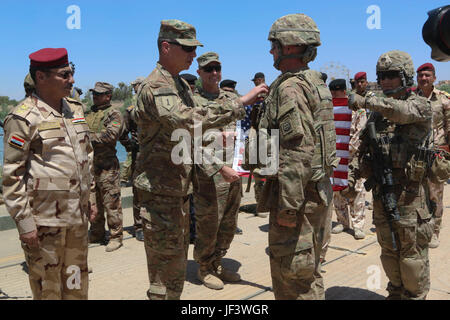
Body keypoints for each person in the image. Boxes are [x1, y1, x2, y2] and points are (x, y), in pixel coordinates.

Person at [134, 19, 268, 300]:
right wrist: (241, 102)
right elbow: (189, 122)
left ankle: (212, 264)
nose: (193, 55)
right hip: (160, 194)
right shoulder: (158, 86)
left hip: (177, 190)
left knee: (174, 270)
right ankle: (203, 268)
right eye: (188, 48)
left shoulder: (178, 84)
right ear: (166, 47)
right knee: (163, 275)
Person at [249, 13, 337, 299]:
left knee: (293, 282)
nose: (270, 50)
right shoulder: (315, 82)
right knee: (310, 274)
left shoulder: (289, 87)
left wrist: (288, 208)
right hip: (315, 194)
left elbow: (296, 152)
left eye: (274, 44)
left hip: (298, 201)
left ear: (288, 46)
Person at [2, 48, 97, 299]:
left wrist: (92, 199)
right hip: (45, 223)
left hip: (77, 218)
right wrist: (25, 224)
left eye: (71, 73)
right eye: (64, 75)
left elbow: (86, 157)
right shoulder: (22, 118)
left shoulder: (75, 110)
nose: (72, 80)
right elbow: (12, 177)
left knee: (77, 283)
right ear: (41, 77)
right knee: (49, 289)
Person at [349, 50, 434, 300]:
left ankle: (415, 296)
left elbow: (400, 111)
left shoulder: (419, 105)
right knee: (388, 251)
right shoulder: (377, 115)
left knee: (411, 257)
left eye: (391, 75)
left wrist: (366, 101)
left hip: (411, 198)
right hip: (382, 194)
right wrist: (352, 175)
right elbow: (362, 147)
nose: (385, 81)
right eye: (382, 76)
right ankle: (395, 292)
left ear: (406, 77)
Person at [192, 52, 243, 290]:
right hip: (209, 176)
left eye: (217, 69)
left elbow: (243, 129)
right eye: (209, 69)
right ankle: (204, 268)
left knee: (229, 223)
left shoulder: (230, 98)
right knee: (209, 224)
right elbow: (191, 144)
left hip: (234, 172)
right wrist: (220, 167)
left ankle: (218, 262)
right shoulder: (192, 102)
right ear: (199, 72)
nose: (214, 73)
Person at [86, 82, 124, 252]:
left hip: (107, 166)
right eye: (94, 93)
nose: (95, 97)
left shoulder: (114, 114)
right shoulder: (88, 113)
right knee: (93, 202)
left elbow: (110, 136)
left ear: (108, 96)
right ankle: (96, 233)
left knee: (111, 202)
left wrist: (86, 136)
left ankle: (116, 236)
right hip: (90, 165)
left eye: (99, 94)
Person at [415, 62, 450, 248]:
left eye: (427, 75)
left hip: (437, 154)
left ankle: (435, 232)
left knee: (436, 195)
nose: (423, 78)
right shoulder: (412, 98)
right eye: (420, 75)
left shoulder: (444, 99)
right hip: (416, 155)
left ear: (434, 78)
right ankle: (420, 229)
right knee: (417, 193)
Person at [329, 79, 367, 240]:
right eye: (332, 93)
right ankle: (342, 222)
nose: (334, 96)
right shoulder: (328, 108)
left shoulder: (357, 107)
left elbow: (361, 130)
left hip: (352, 156)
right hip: (335, 156)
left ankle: (358, 225)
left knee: (357, 190)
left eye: (337, 93)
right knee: (337, 190)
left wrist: (350, 150)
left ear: (344, 91)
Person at [119, 77, 145, 241]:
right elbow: (122, 132)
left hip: (155, 156)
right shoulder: (131, 110)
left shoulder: (154, 106)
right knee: (138, 192)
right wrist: (130, 147)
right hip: (139, 156)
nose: (136, 89)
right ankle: (139, 226)